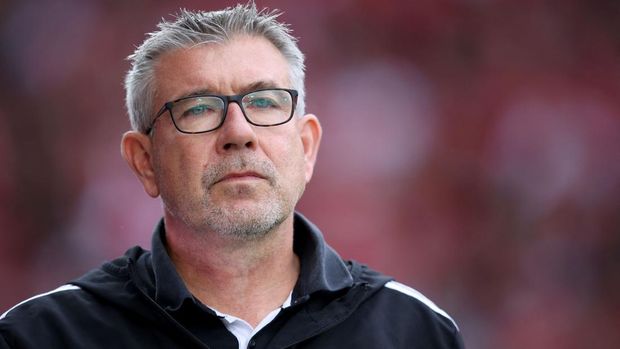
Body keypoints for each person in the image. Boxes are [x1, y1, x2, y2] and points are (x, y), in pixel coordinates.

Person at [0, 4, 464, 348]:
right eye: (199, 108)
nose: (238, 132)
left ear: (305, 148)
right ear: (144, 161)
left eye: (264, 102)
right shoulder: (41, 336)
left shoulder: (415, 331)